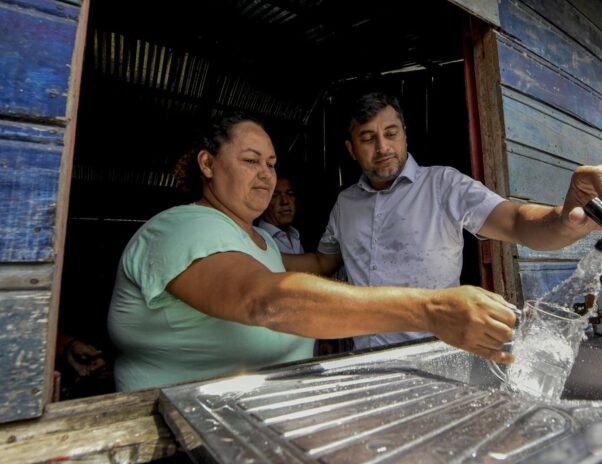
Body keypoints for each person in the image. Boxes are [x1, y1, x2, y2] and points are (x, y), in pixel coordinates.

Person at [107, 112, 520, 391]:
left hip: (258, 421)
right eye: (251, 161)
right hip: (178, 431)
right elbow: (265, 299)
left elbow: (320, 264)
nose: (266, 175)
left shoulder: (262, 242)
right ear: (208, 164)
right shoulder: (180, 228)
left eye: (271, 163)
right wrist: (430, 309)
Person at [283, 92, 602, 350]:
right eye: (368, 138)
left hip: (435, 355)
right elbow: (323, 262)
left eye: (391, 134)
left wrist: (566, 218)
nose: (383, 148)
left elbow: (517, 222)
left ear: (405, 134)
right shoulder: (345, 203)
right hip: (363, 357)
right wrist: (252, 248)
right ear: (350, 149)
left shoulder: (444, 185)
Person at [257, 173, 304, 254]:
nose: (285, 201)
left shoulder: (294, 234)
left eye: (290, 194)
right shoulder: (257, 239)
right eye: (274, 196)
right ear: (262, 202)